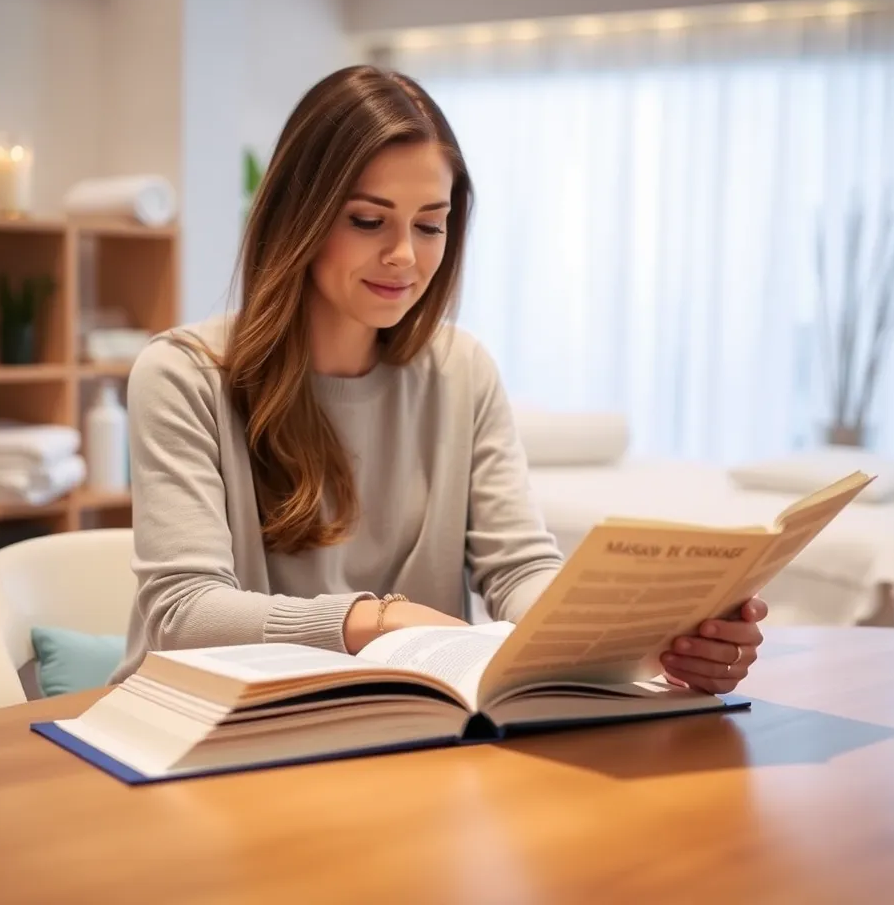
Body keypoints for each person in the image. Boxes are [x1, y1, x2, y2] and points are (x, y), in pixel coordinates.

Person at [110, 65, 767, 692]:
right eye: (368, 221)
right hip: (201, 736)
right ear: (298, 216)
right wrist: (384, 619)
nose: (404, 256)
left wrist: (651, 637)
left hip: (394, 733)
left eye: (431, 225)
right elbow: (185, 613)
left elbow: (518, 570)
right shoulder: (183, 376)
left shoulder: (462, 371)